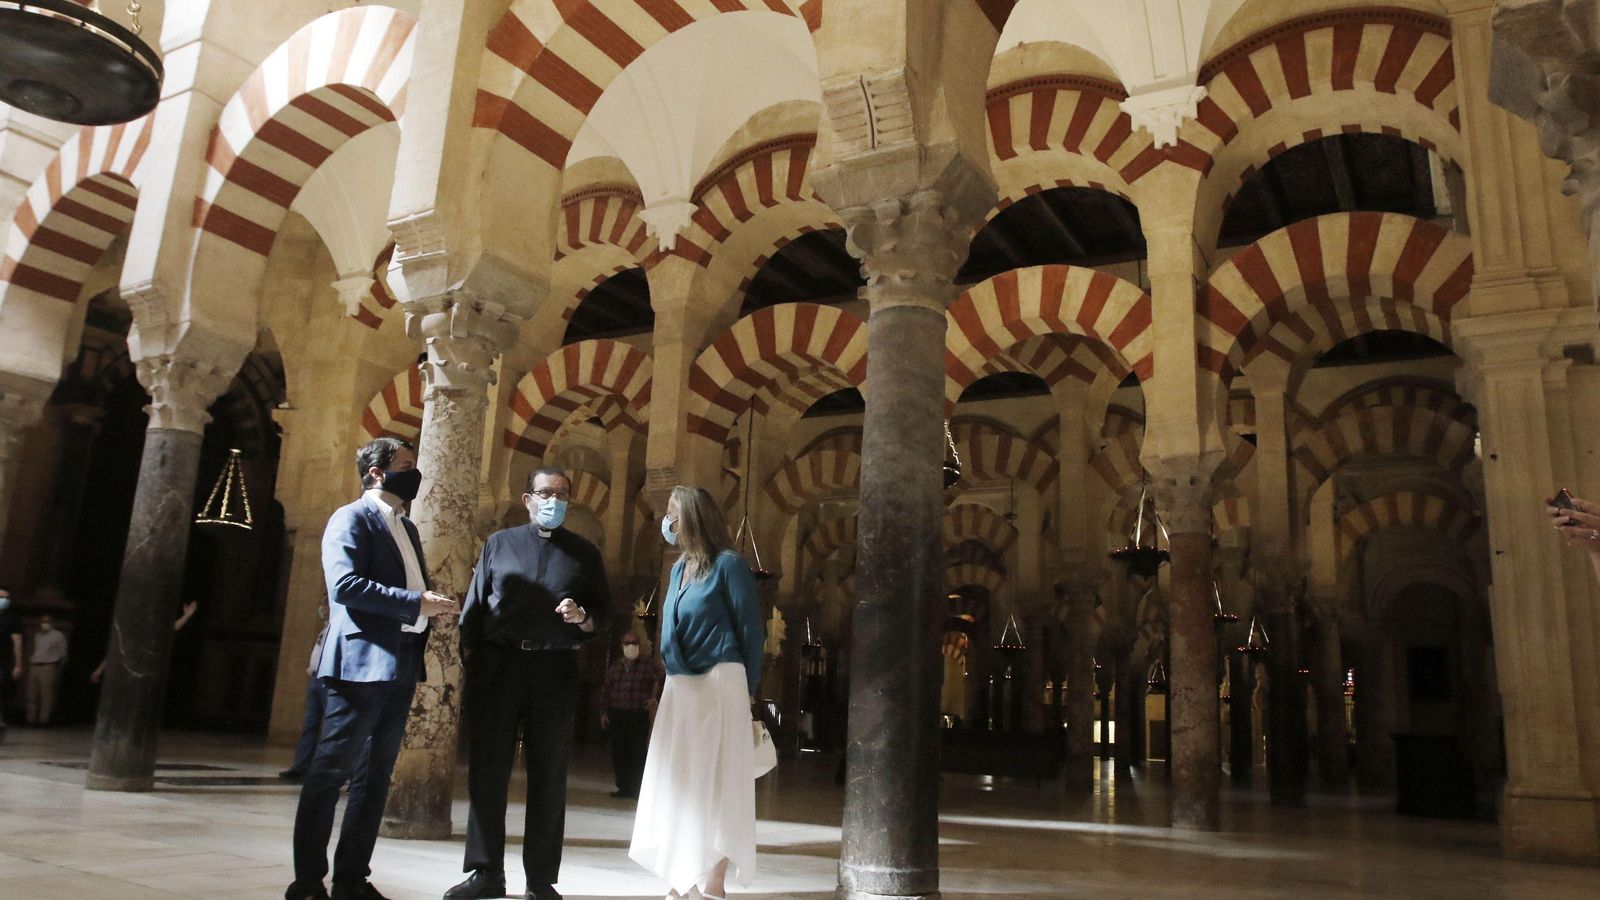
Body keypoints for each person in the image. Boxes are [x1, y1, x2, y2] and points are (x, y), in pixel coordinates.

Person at [287, 436, 459, 900]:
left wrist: (427, 606)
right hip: (359, 661)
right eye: (406, 464)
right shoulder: (351, 517)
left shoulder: (408, 527)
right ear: (378, 472)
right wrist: (415, 602)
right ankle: (306, 883)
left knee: (374, 776)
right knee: (329, 772)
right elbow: (344, 585)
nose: (414, 472)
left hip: (401, 660)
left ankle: (351, 879)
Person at [445, 466, 611, 900]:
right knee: (487, 771)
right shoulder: (499, 544)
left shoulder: (585, 554)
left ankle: (540, 880)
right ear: (527, 499)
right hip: (499, 667)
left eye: (561, 495)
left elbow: (604, 617)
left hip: (554, 670)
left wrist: (583, 618)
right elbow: (474, 612)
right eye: (545, 493)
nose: (553, 501)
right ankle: (486, 873)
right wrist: (474, 661)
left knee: (549, 775)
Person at [628, 485, 764, 900]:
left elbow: (750, 632)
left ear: (693, 516)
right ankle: (678, 877)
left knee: (718, 779)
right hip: (681, 685)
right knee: (679, 780)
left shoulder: (729, 565)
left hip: (720, 682)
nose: (666, 522)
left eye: (672, 513)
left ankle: (714, 884)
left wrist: (749, 692)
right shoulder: (678, 568)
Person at [600, 630, 663, 800]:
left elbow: (663, 678)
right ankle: (623, 787)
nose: (630, 646)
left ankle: (637, 789)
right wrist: (603, 712)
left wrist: (655, 698)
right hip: (617, 714)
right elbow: (606, 689)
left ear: (639, 645)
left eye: (634, 642)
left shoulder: (648, 665)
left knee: (637, 753)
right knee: (619, 753)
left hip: (637, 715)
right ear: (622, 646)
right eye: (627, 643)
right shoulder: (615, 666)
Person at [281, 598, 332, 781]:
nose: (322, 609)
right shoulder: (324, 629)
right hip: (315, 678)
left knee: (330, 727)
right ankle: (301, 765)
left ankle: (324, 769)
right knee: (310, 724)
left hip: (328, 680)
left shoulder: (336, 629)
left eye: (326, 605)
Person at [90, 600, 197, 684]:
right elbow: (115, 652)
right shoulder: (126, 632)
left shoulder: (148, 631)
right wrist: (99, 670)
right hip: (125, 674)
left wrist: (186, 616)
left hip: (145, 676)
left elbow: (171, 629)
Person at [25, 613, 68, 724]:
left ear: (51, 623)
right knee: (32, 695)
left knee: (46, 695)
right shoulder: (38, 635)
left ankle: (44, 720)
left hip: (48, 665)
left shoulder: (58, 635)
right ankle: (31, 720)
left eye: (47, 621)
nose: (44, 624)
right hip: (35, 665)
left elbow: (63, 653)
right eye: (43, 621)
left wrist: (56, 665)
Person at [0, 588, 20, 740]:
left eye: (5, 597)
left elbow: (17, 643)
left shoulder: (12, 619)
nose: (3, 600)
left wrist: (18, 664)